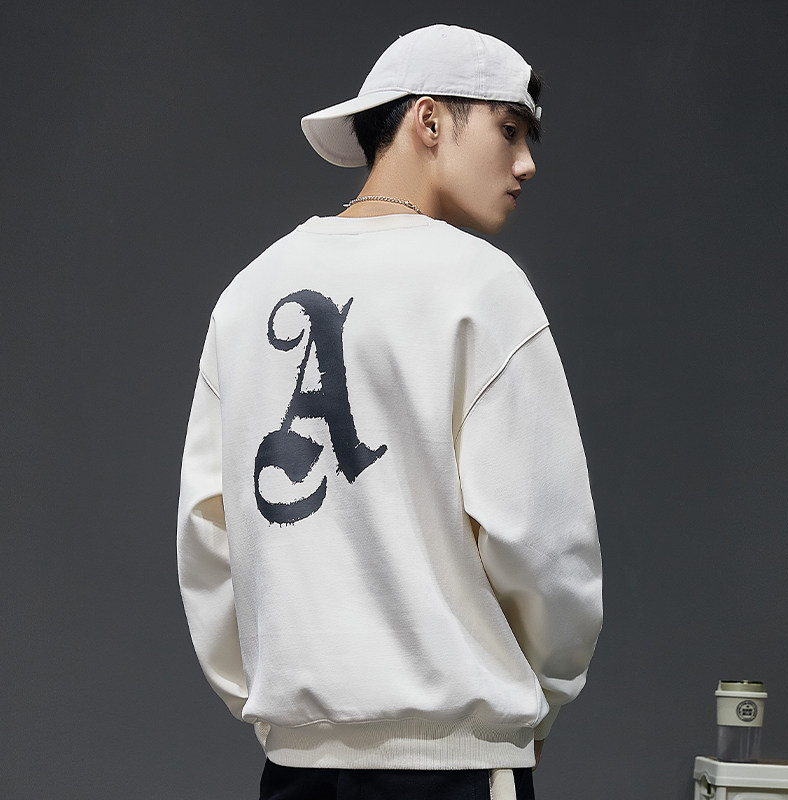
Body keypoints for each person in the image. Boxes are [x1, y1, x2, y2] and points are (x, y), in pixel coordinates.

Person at [177, 23, 602, 800]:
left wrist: (282, 710)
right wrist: (539, 703)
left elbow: (208, 537)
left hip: (297, 772)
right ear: (430, 120)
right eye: (510, 130)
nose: (526, 163)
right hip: (454, 766)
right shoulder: (483, 289)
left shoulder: (246, 295)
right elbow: (545, 543)